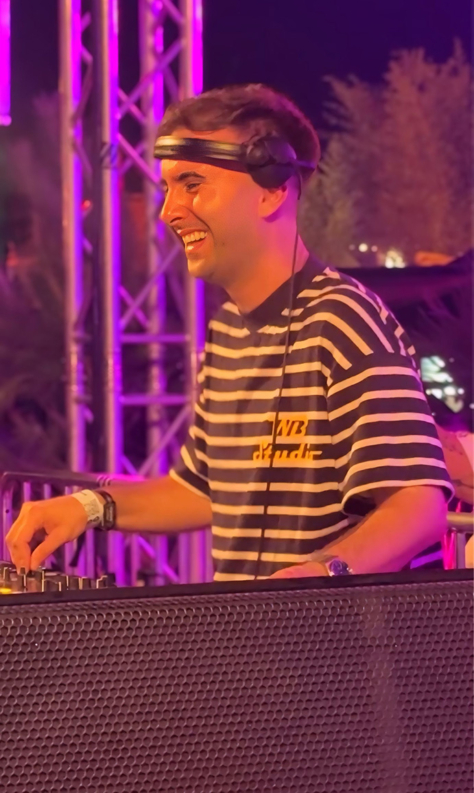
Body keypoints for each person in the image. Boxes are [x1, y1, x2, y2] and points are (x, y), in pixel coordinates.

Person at [6, 84, 453, 580]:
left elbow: (418, 506)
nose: (168, 211)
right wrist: (87, 507)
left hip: (331, 633)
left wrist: (318, 575)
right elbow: (202, 488)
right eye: (168, 188)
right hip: (249, 631)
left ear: (273, 188)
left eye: (192, 184)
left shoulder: (344, 322)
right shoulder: (226, 333)